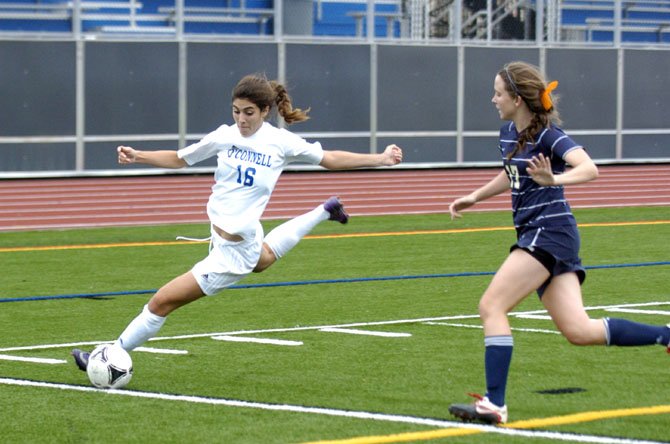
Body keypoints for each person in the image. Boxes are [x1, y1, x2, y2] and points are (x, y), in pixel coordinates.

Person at [71, 73, 403, 371]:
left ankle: (110, 354)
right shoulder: (224, 136)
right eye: (236, 111)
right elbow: (179, 158)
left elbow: (330, 158)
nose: (241, 119)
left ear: (264, 112)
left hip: (234, 247)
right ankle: (325, 210)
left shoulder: (280, 142)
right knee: (263, 260)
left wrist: (382, 158)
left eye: (249, 113)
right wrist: (138, 155)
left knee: (162, 301)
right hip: (226, 237)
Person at [447, 61, 670, 425]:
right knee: (579, 331)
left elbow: (589, 168)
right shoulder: (507, 133)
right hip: (547, 235)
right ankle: (666, 335)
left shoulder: (549, 135)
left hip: (548, 233)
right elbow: (512, 174)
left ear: (517, 99)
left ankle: (494, 404)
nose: (493, 99)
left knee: (491, 305)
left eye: (498, 93)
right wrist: (475, 196)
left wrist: (554, 180)